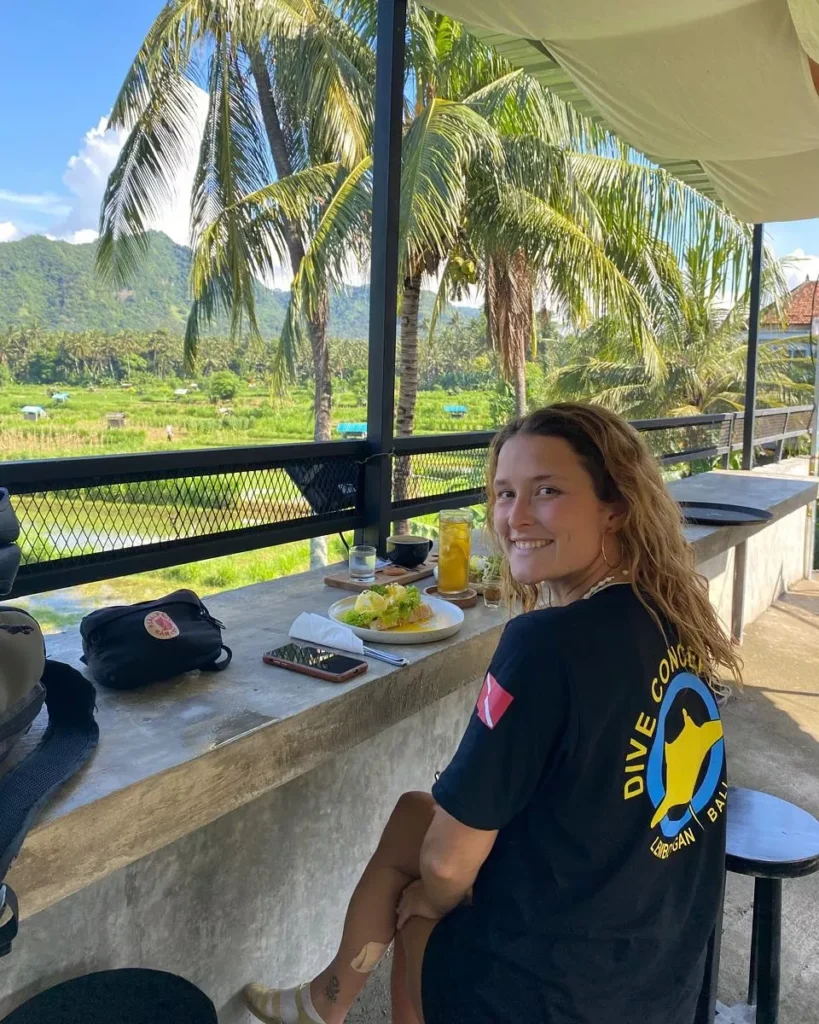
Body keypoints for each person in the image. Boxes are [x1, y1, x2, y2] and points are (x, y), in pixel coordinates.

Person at [245, 402, 741, 1024]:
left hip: (556, 997)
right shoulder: (669, 612)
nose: (516, 518)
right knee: (415, 816)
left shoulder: (546, 645)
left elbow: (447, 862)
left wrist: (433, 898)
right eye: (505, 494)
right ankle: (326, 1002)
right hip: (658, 972)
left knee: (425, 902)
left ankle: (334, 999)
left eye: (547, 491)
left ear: (615, 507)